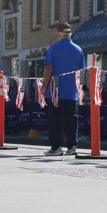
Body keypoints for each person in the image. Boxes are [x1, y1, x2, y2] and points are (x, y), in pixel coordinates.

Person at [41, 22, 86, 156]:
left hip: (56, 88)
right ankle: (72, 146)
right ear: (70, 34)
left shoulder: (54, 48)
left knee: (56, 119)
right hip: (72, 90)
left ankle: (56, 147)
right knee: (72, 118)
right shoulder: (78, 49)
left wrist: (44, 86)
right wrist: (81, 89)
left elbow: (49, 68)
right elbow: (82, 72)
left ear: (58, 34)